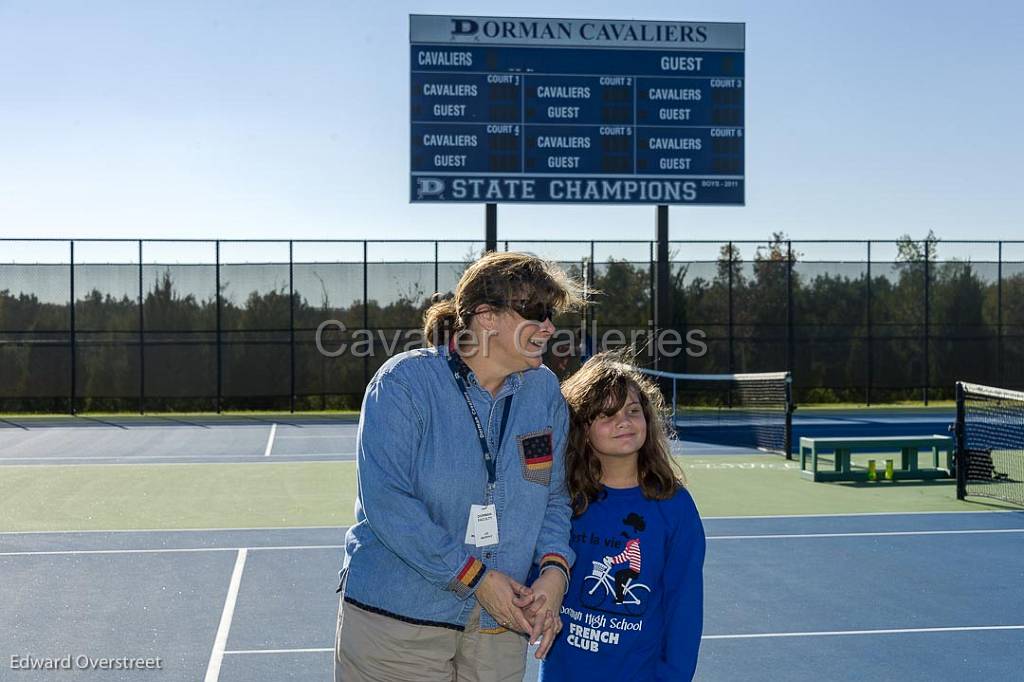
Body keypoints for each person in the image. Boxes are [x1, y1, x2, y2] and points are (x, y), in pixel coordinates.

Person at [334, 251, 583, 682]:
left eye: (551, 314)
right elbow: (388, 504)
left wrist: (554, 574)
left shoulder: (544, 392)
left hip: (500, 626)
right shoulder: (403, 384)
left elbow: (555, 498)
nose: (549, 327)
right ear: (486, 317)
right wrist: (478, 578)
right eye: (536, 312)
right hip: (399, 623)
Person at [539, 352, 706, 682]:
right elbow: (537, 575)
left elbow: (684, 608)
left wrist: (674, 676)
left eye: (633, 411)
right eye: (607, 415)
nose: (624, 422)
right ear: (582, 429)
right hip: (565, 673)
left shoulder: (674, 506)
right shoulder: (564, 501)